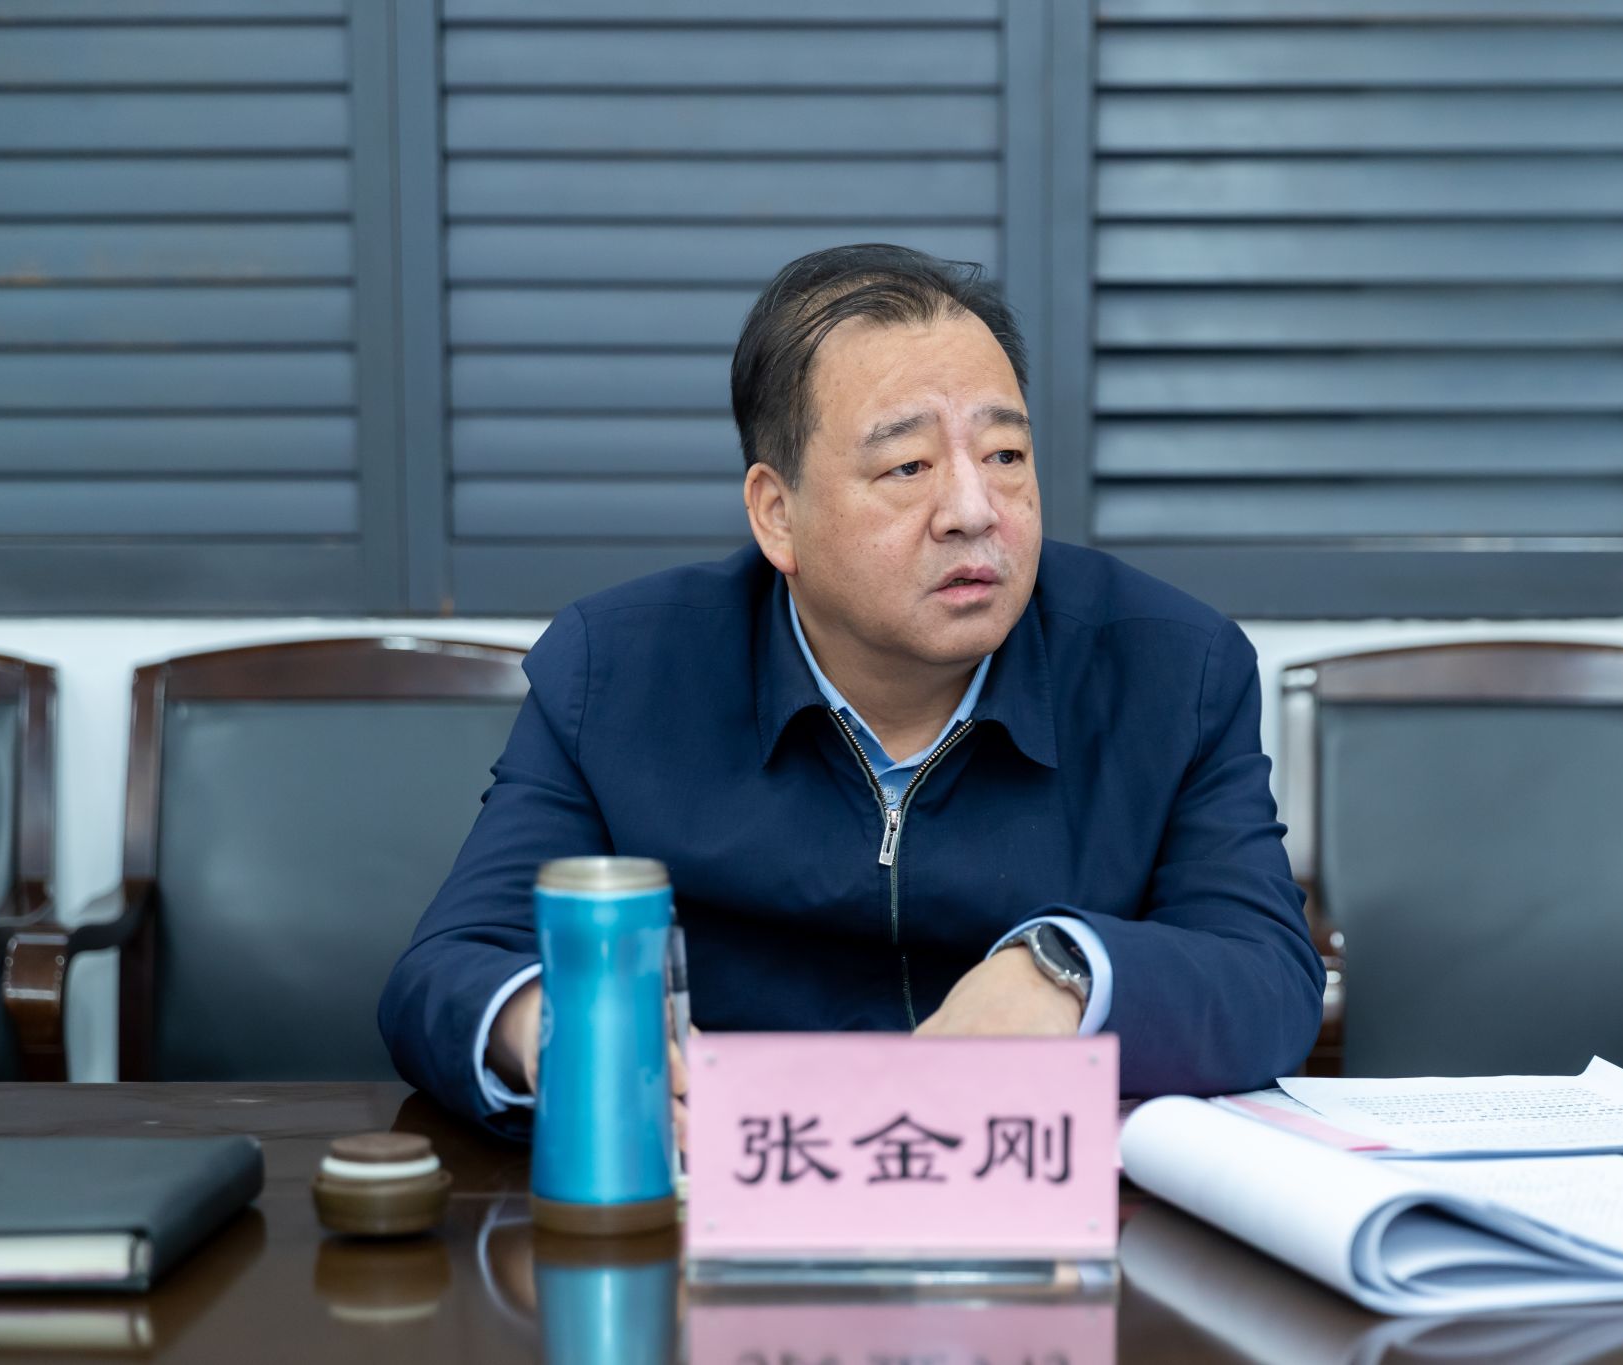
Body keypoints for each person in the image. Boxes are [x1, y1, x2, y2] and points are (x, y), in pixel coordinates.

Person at [380, 243, 1323, 1136]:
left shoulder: (1172, 669)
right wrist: (557, 1028)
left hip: (1042, 1206)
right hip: (728, 1189)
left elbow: (1271, 977)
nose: (973, 511)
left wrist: (1064, 970)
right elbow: (449, 967)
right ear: (777, 514)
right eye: (908, 466)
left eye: (1004, 456)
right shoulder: (618, 672)